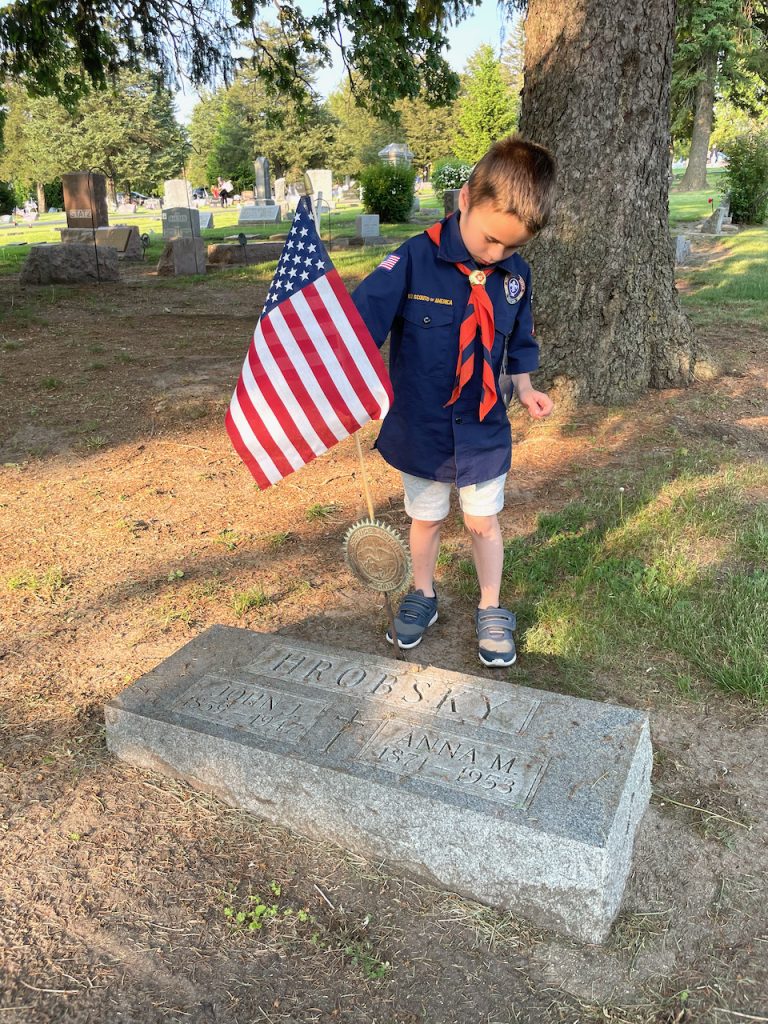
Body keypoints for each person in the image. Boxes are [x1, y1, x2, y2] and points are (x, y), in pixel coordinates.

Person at [351, 135, 556, 668]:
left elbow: (521, 340)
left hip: (483, 424)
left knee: (483, 520)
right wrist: (343, 373)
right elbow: (360, 322)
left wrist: (527, 387)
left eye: (511, 247)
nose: (496, 255)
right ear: (465, 198)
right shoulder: (415, 258)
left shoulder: (515, 277)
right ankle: (423, 593)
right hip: (423, 423)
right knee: (426, 517)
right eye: (490, 240)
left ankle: (491, 606)